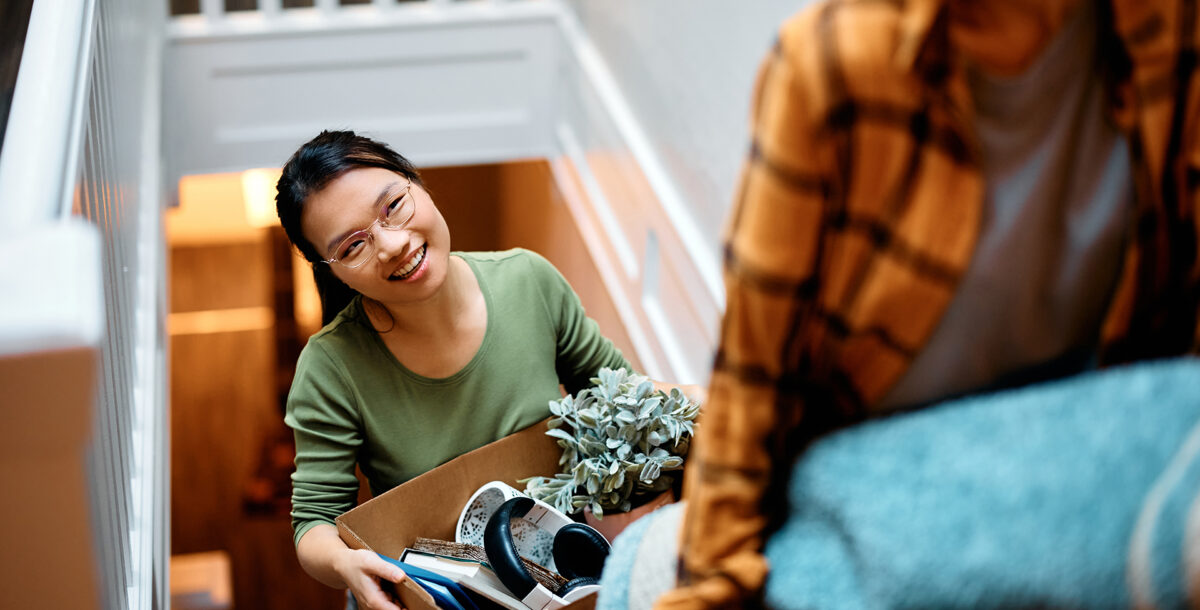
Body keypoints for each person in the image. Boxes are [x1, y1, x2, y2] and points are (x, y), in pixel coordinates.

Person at [658, 0, 1200, 607]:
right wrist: (713, 584)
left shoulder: (1171, 32)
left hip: (1091, 503)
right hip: (873, 522)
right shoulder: (831, 66)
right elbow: (751, 384)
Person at [275, 130, 697, 609]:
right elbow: (314, 523)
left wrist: (719, 399)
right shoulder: (331, 368)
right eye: (353, 246)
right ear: (331, 268)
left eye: (393, 205)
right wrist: (345, 564)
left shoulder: (529, 282)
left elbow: (618, 392)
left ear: (416, 182)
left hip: (552, 584)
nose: (392, 244)